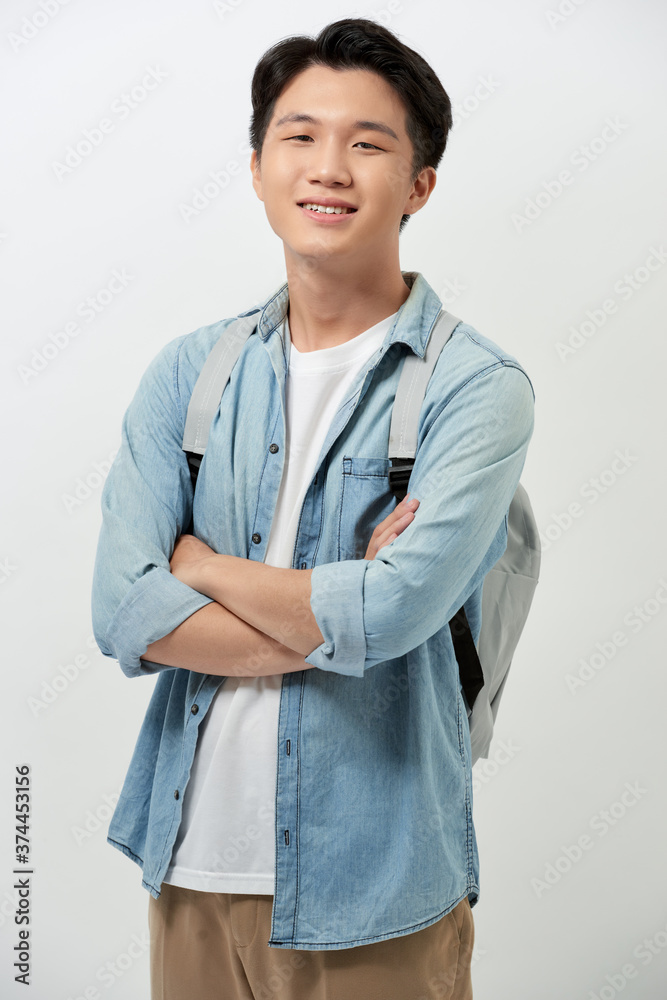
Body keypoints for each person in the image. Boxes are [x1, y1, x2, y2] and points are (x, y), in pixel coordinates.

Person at [91, 16, 535, 1000]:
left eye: (367, 142)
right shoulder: (190, 373)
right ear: (256, 168)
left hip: (377, 889)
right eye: (298, 136)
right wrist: (336, 608)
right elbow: (123, 610)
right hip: (189, 866)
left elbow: (388, 617)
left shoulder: (473, 386)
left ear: (418, 184)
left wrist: (199, 569)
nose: (327, 167)